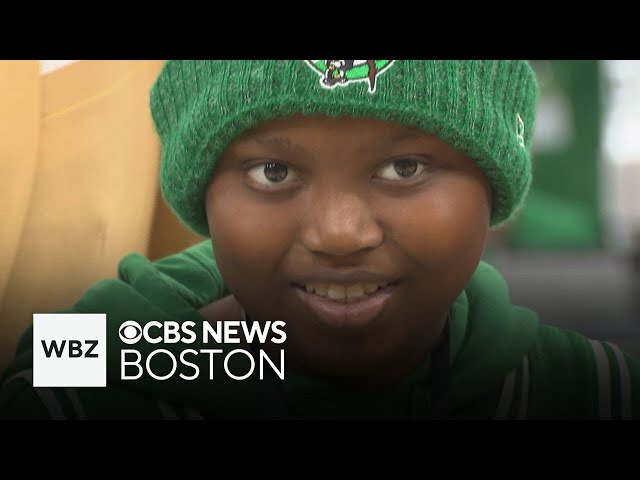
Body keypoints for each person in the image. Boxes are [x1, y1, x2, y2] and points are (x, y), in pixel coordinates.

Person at [1, 60, 638, 420]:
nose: (339, 234)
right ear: (200, 194)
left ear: (496, 189)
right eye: (272, 172)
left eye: (405, 169)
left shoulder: (589, 392)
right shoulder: (87, 386)